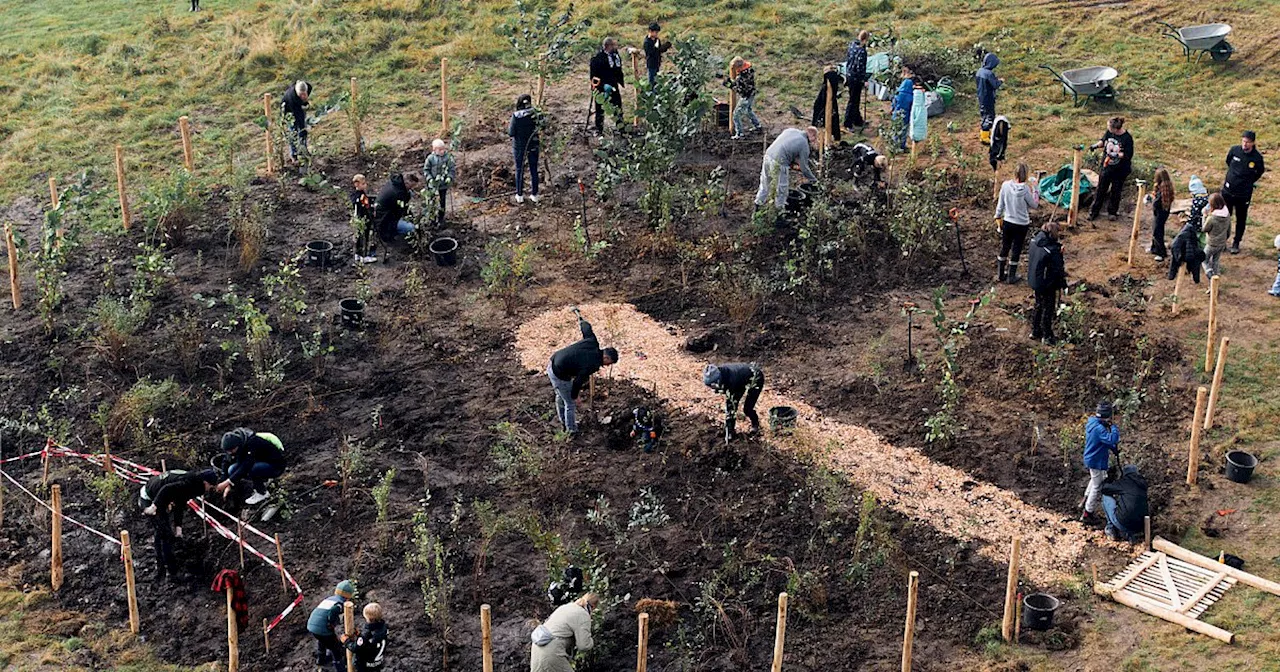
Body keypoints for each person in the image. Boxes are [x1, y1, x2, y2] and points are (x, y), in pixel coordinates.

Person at [140, 468, 218, 581]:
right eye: (210, 487)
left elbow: (180, 504)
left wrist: (178, 529)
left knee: (163, 533)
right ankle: (171, 572)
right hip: (149, 497)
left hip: (158, 497)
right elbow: (166, 489)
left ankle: (162, 566)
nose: (209, 490)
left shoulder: (192, 483)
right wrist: (153, 507)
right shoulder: (188, 484)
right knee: (164, 535)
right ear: (205, 482)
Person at [547, 315, 618, 434]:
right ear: (606, 357)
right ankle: (571, 430)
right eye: (609, 363)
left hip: (552, 362)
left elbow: (586, 328)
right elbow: (578, 381)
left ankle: (564, 421)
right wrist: (576, 397)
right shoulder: (593, 365)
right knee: (570, 403)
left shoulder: (592, 342)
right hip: (559, 373)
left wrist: (581, 319)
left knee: (561, 395)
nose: (607, 366)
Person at [994, 162, 1041, 283]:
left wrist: (998, 216)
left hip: (1008, 221)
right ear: (1026, 175)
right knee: (1016, 249)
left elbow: (1001, 204)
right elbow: (1034, 204)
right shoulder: (1025, 190)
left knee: (1005, 246)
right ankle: (1011, 276)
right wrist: (1036, 189)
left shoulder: (1005, 185)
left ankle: (1000, 274)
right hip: (1021, 224)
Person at [214, 428, 286, 506]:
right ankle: (242, 489)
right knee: (232, 469)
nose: (230, 453)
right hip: (258, 462)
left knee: (252, 469)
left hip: (275, 465)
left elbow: (247, 465)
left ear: (238, 445)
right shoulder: (233, 444)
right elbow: (226, 461)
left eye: (231, 451)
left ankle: (262, 493)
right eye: (228, 451)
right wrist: (226, 483)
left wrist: (228, 482)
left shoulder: (252, 442)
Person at [1221, 130, 1265, 254]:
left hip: (1243, 194)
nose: (1245, 144)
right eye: (1243, 141)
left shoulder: (1257, 158)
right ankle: (1223, 240)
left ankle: (1236, 242)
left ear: (1253, 143)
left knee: (1241, 218)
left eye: (1248, 142)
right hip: (1228, 191)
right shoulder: (1234, 150)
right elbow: (1228, 161)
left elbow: (1260, 171)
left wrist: (1248, 181)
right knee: (1224, 216)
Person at [754, 127, 819, 210]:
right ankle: (779, 214)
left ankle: (757, 206)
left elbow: (787, 147)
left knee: (765, 184)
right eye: (815, 138)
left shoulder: (791, 130)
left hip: (768, 155)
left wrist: (792, 163)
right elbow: (804, 168)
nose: (815, 140)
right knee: (782, 190)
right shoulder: (804, 145)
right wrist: (814, 181)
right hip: (780, 162)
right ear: (812, 135)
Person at [530, 593, 598, 672]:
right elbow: (583, 645)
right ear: (593, 607)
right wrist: (592, 641)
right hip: (551, 652)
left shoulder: (566, 607)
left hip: (537, 648)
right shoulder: (583, 614)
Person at [703, 362, 765, 444]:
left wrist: (729, 434)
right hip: (741, 379)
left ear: (718, 380)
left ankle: (755, 425)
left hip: (755, 377)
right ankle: (730, 431)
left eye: (713, 385)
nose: (712, 388)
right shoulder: (721, 374)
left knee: (747, 408)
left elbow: (731, 407)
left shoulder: (732, 380)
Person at [1081, 401, 1120, 526]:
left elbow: (1105, 442)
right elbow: (1112, 439)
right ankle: (1088, 513)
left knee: (1094, 479)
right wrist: (1113, 427)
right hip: (1095, 460)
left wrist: (1113, 449)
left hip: (1093, 459)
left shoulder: (1092, 423)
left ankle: (1084, 500)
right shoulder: (1099, 429)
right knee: (1098, 486)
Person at [1027, 222, 1067, 343]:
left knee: (1038, 304)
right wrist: (1062, 284)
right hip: (1046, 284)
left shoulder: (1034, 242)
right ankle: (1047, 335)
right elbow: (1057, 268)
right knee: (1048, 308)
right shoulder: (1052, 251)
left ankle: (1035, 330)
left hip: (1034, 279)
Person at [1087, 117, 1133, 221]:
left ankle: (1112, 212)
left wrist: (1116, 155)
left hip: (1120, 170)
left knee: (1116, 191)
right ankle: (1093, 211)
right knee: (1100, 190)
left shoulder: (1127, 138)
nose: (1107, 128)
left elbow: (1128, 154)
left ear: (1116, 129)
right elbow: (1103, 141)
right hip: (1107, 167)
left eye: (1109, 127)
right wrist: (1095, 146)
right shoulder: (1110, 132)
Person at [308, 580, 357, 672]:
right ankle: (340, 667)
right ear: (348, 596)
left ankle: (321, 659)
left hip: (312, 625)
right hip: (323, 628)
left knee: (322, 641)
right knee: (335, 648)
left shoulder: (330, 599)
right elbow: (333, 611)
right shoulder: (339, 604)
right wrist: (331, 623)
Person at [1099, 465, 1148, 543]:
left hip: (1124, 523)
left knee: (1106, 497)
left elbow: (1103, 488)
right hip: (1140, 526)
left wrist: (1109, 477)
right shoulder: (1143, 484)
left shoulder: (1125, 482)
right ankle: (1130, 535)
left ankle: (1111, 529)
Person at [508, 94, 541, 204]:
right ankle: (535, 194)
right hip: (533, 144)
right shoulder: (535, 113)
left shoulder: (516, 116)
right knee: (534, 169)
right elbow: (542, 125)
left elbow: (511, 133)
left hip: (520, 146)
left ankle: (519, 195)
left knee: (519, 169)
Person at [374, 172, 423, 243]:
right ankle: (394, 234)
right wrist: (413, 221)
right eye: (412, 186)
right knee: (411, 228)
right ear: (406, 183)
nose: (413, 188)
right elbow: (403, 210)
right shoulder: (398, 194)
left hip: (388, 210)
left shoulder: (396, 182)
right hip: (385, 219)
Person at [589, 38, 625, 133]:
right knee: (600, 108)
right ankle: (599, 128)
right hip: (602, 85)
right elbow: (593, 76)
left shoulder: (615, 56)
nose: (615, 47)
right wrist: (602, 86)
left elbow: (618, 69)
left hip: (613, 84)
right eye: (613, 45)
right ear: (608, 46)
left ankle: (620, 127)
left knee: (617, 105)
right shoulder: (598, 58)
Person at [346, 602, 389, 672]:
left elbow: (355, 648)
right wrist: (359, 635)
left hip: (365, 665)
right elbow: (370, 642)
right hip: (378, 662)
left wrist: (346, 641)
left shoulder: (367, 633)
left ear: (368, 618)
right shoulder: (384, 628)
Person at [725, 57, 762, 139]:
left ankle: (740, 133)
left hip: (746, 96)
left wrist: (730, 85)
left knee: (736, 114)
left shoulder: (741, 78)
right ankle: (757, 126)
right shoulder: (749, 70)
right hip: (752, 93)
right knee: (748, 110)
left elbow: (739, 90)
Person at [423, 139, 456, 228]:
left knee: (442, 202)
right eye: (440, 149)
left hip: (443, 185)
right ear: (434, 149)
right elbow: (426, 170)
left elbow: (451, 169)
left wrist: (449, 177)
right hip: (432, 185)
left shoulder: (448, 158)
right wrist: (429, 179)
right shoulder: (430, 158)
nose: (442, 151)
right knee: (431, 202)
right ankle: (432, 219)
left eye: (443, 149)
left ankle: (441, 219)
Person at [842, 30, 870, 130]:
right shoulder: (862, 51)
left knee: (855, 99)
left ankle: (857, 120)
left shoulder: (852, 45)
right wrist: (864, 80)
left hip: (849, 75)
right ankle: (847, 123)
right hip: (856, 79)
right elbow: (860, 68)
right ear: (865, 39)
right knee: (853, 101)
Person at [1201, 192, 1231, 279]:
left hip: (1212, 243)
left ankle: (1210, 275)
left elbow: (1204, 229)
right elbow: (1229, 229)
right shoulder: (1227, 214)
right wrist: (1225, 239)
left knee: (1204, 259)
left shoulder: (1212, 218)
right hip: (1221, 243)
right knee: (1215, 261)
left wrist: (1204, 216)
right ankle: (1216, 277)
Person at [1168, 215, 1205, 285]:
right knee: (1196, 262)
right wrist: (1181, 259)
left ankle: (1171, 276)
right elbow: (1191, 249)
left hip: (1180, 250)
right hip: (1182, 252)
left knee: (1175, 262)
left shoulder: (1184, 232)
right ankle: (1196, 280)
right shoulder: (1190, 232)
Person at [975, 53, 1003, 145]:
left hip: (981, 96)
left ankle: (984, 134)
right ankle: (985, 137)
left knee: (984, 114)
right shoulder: (989, 74)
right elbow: (994, 85)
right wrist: (1000, 81)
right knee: (989, 116)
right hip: (988, 98)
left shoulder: (980, 71)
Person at [281, 80, 312, 162]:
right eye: (301, 95)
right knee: (293, 132)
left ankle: (304, 151)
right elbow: (299, 118)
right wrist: (303, 129)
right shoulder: (292, 97)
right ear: (297, 93)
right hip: (289, 111)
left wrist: (304, 101)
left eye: (304, 94)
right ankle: (294, 154)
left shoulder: (307, 86)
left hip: (298, 106)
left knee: (302, 131)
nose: (303, 96)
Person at [811, 66, 843, 143]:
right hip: (826, 107)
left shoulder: (829, 84)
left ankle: (833, 136)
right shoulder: (827, 86)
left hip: (829, 105)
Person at [1148, 168, 1174, 262]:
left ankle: (1161, 253)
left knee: (1157, 231)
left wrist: (1152, 201)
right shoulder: (1164, 185)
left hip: (1161, 212)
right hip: (1162, 211)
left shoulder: (1164, 187)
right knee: (1156, 229)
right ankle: (1154, 248)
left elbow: (1159, 201)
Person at [351, 174, 376, 264]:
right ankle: (364, 256)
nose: (365, 185)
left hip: (359, 219)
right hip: (362, 219)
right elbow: (363, 207)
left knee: (359, 237)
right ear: (357, 184)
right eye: (363, 184)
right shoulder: (359, 196)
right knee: (364, 237)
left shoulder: (357, 195)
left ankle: (357, 254)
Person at [891, 65, 915, 151]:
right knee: (904, 131)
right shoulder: (911, 96)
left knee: (895, 129)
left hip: (896, 114)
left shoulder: (898, 94)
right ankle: (901, 145)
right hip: (906, 115)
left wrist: (892, 109)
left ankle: (894, 146)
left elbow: (893, 103)